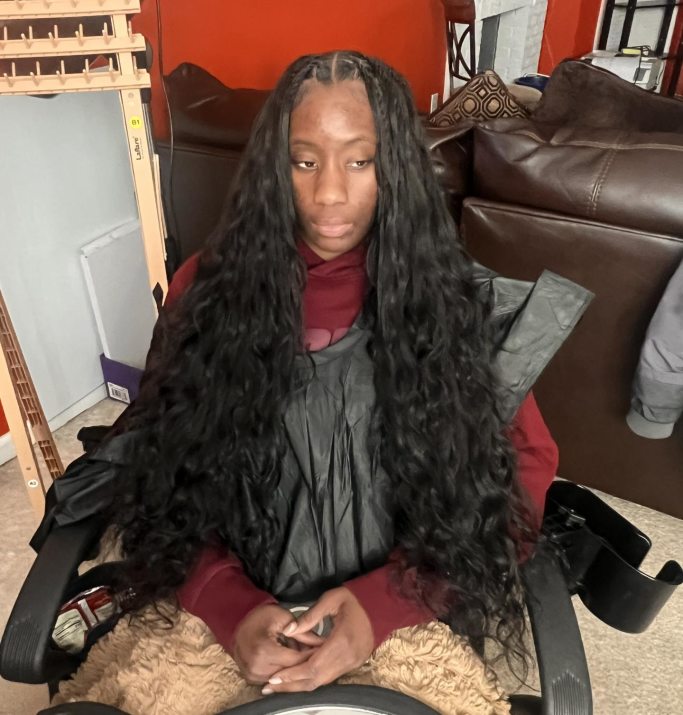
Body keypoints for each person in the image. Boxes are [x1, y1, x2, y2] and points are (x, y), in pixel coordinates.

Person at [53, 51, 560, 715]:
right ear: (274, 167)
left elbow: (520, 477)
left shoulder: (459, 305)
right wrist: (224, 601)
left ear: (397, 168)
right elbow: (160, 467)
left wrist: (387, 603)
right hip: (220, 614)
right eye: (304, 161)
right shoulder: (206, 291)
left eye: (360, 160)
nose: (328, 195)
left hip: (403, 613)